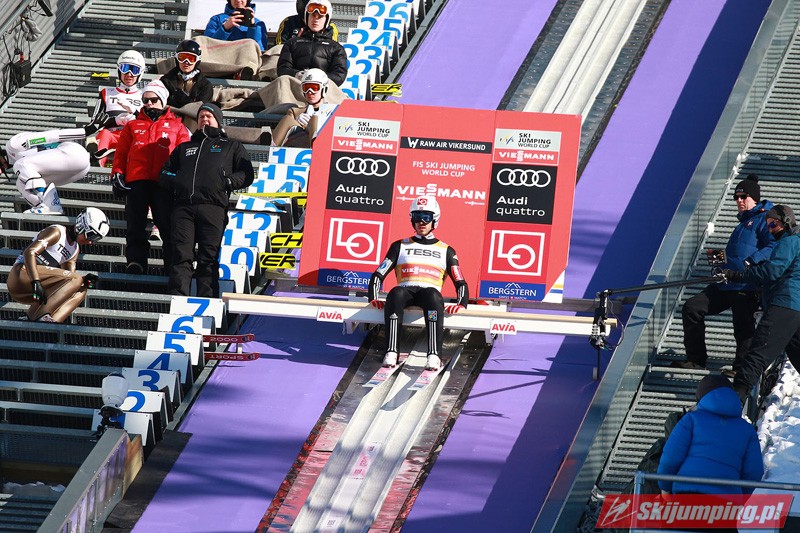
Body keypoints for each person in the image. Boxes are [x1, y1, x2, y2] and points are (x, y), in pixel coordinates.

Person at [672, 174, 775, 377]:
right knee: (692, 307)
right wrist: (720, 263)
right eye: (736, 197)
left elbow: (773, 245)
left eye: (743, 197)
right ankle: (696, 360)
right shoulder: (742, 224)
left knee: (743, 326)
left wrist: (752, 261)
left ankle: (742, 369)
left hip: (746, 284)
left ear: (754, 198)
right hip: (726, 283)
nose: (739, 201)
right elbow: (737, 253)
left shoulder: (764, 219)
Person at [160, 103, 254, 297]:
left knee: (208, 258)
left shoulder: (231, 146)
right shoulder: (184, 147)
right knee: (181, 256)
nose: (204, 119)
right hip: (183, 208)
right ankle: (177, 298)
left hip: (213, 208)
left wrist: (227, 182)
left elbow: (247, 174)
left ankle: (207, 300)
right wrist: (178, 181)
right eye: (201, 116)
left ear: (218, 121)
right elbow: (163, 173)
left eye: (208, 116)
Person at [368, 196, 469, 371]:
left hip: (428, 293)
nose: (421, 222)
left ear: (435, 220)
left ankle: (433, 355)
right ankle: (391, 351)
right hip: (405, 291)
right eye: (417, 217)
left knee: (433, 296)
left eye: (426, 217)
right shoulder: (399, 245)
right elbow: (378, 274)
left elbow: (460, 281)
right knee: (395, 293)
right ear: (411, 219)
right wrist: (373, 297)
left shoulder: (446, 250)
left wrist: (462, 303)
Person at [111, 80, 191, 275]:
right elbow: (121, 153)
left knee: (167, 225)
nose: (149, 104)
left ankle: (172, 266)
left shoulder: (178, 126)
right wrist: (117, 173)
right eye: (145, 100)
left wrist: (182, 179)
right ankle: (136, 262)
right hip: (136, 180)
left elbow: (185, 155)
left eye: (153, 100)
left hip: (164, 182)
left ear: (163, 100)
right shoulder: (132, 125)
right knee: (135, 224)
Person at [724, 205, 800, 402]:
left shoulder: (790, 241)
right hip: (795, 308)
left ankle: (733, 400)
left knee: (758, 352)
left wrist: (739, 276)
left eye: (773, 224)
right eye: (767, 226)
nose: (771, 230)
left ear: (786, 222)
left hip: (785, 303)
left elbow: (773, 271)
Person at [657, 374, 763, 498]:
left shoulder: (691, 419)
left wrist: (665, 487)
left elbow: (671, 457)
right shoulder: (747, 430)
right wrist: (738, 494)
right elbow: (754, 472)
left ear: (701, 397)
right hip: (726, 501)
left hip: (688, 493)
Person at [7, 207, 109, 322]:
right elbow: (29, 252)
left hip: (35, 288)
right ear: (81, 226)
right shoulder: (57, 232)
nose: (91, 242)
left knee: (81, 289)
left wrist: (85, 280)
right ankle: (41, 315)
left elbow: (69, 282)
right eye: (91, 236)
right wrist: (35, 281)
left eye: (96, 239)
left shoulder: (74, 250)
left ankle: (48, 322)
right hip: (21, 275)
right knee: (76, 279)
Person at [4, 126, 91, 214]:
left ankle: (46, 202)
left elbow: (50, 136)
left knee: (20, 164)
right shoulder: (26, 169)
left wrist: (85, 131)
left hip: (72, 152)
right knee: (20, 183)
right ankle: (43, 207)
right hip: (79, 170)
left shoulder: (13, 146)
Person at [88, 50, 146, 165]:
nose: (129, 74)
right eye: (125, 68)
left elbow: (150, 123)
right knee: (104, 134)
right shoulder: (106, 93)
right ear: (119, 70)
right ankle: (97, 162)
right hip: (111, 135)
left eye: (134, 70)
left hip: (133, 135)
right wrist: (116, 121)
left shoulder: (145, 95)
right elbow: (94, 123)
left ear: (141, 73)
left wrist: (135, 113)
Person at [277, 0, 348, 86]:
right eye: (313, 15)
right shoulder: (292, 43)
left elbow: (339, 75)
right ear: (307, 17)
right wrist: (297, 75)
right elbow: (282, 69)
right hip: (296, 86)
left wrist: (318, 78)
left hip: (324, 88)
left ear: (326, 19)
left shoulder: (335, 48)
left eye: (320, 17)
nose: (316, 20)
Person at [270, 68, 331, 147]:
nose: (309, 92)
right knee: (287, 119)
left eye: (314, 88)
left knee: (315, 119)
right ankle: (271, 148)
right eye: (306, 88)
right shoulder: (295, 111)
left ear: (324, 89)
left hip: (324, 144)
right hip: (300, 142)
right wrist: (296, 121)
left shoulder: (334, 112)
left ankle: (316, 147)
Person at [160, 40, 214, 110]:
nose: (186, 62)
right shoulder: (165, 81)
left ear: (197, 61)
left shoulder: (205, 85)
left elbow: (201, 110)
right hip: (169, 116)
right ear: (176, 59)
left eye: (191, 59)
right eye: (182, 57)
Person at [204, 0, 269, 52]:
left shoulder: (258, 23)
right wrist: (225, 28)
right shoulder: (216, 19)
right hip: (222, 59)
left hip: (247, 60)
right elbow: (207, 46)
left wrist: (252, 26)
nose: (238, 0)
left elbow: (261, 50)